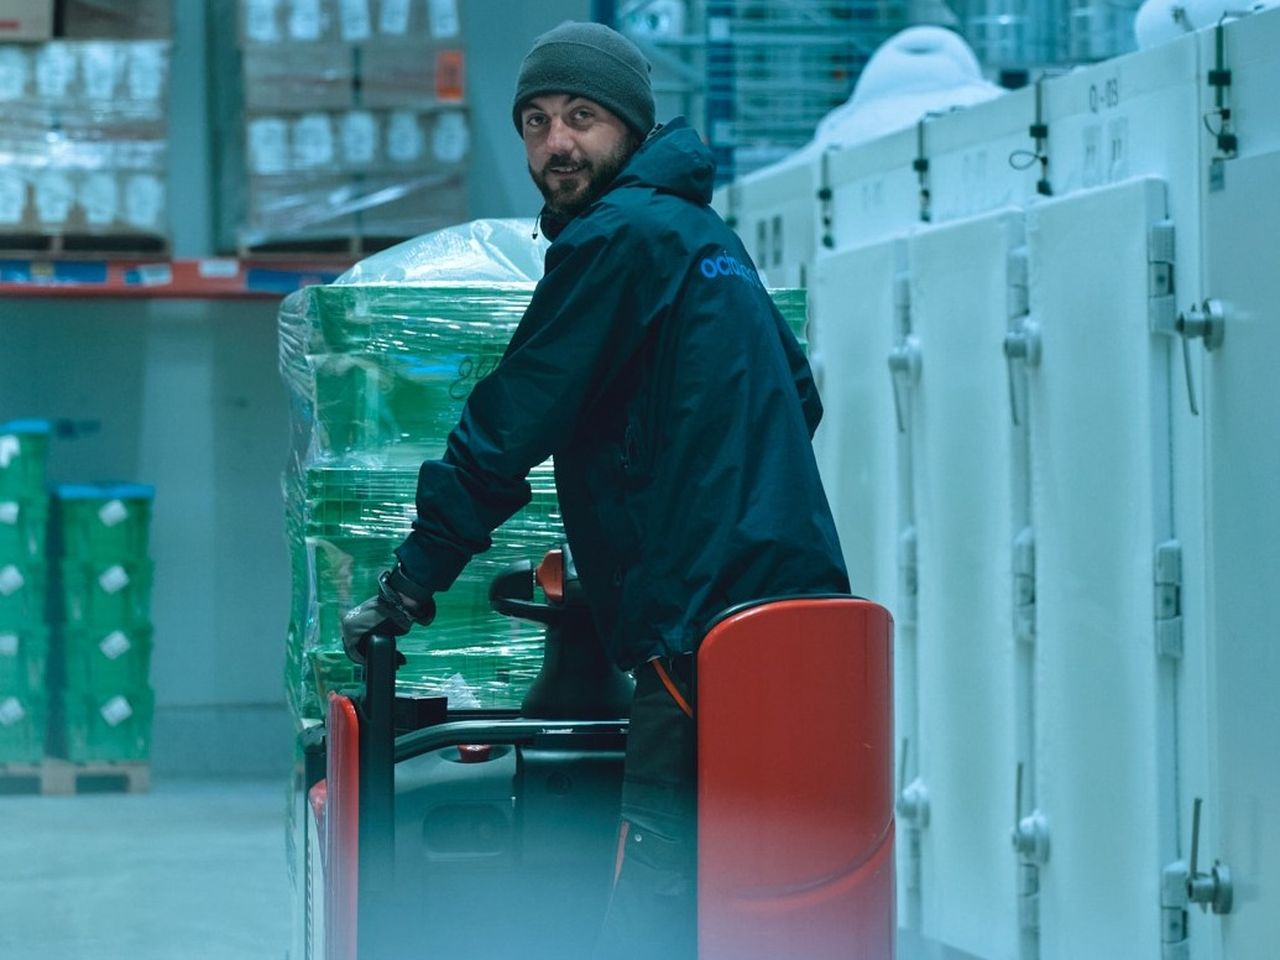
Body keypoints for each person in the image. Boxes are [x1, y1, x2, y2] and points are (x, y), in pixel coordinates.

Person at [341, 20, 849, 959]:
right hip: (795, 609)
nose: (556, 143)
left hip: (693, 623)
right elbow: (799, 394)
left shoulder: (617, 239)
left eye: (580, 116)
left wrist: (410, 584)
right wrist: (670, 474)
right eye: (534, 122)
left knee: (656, 887)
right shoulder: (703, 235)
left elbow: (508, 423)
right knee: (761, 880)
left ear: (629, 125)